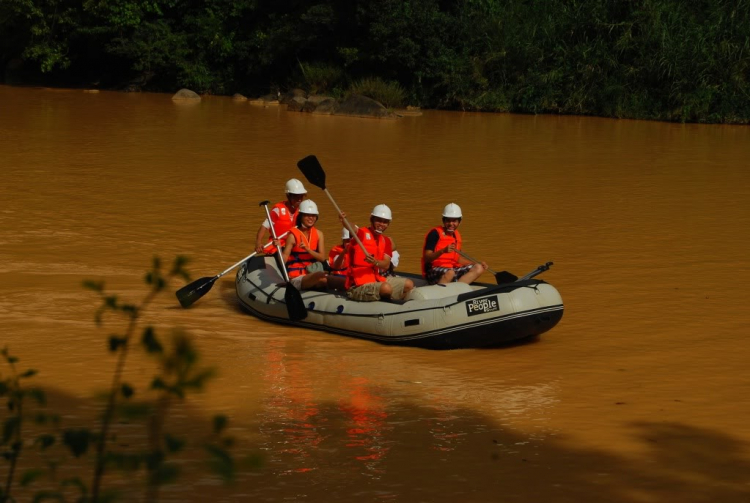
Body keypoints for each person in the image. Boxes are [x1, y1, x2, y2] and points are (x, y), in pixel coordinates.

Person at [346, 204, 414, 301]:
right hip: (357, 284)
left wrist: (375, 262)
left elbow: (386, 264)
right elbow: (352, 228)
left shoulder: (386, 241)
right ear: (371, 219)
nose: (381, 224)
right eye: (378, 220)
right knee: (386, 288)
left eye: (385, 222)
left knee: (409, 284)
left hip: (376, 279)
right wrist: (345, 220)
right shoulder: (361, 234)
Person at [421, 203, 487, 284]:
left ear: (459, 222)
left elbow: (457, 259)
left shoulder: (456, 236)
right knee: (450, 273)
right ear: (443, 221)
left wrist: (476, 263)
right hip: (433, 271)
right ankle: (441, 293)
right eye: (448, 220)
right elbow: (427, 257)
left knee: (478, 268)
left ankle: (457, 290)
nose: (451, 224)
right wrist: (443, 251)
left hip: (450, 269)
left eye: (454, 221)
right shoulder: (435, 234)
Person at [281, 200, 328, 290]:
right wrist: (278, 247)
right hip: (297, 277)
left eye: (313, 215)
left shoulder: (319, 234)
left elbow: (322, 258)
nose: (311, 218)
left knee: (334, 280)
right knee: (321, 277)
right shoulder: (292, 236)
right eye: (307, 215)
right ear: (301, 216)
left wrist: (308, 250)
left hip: (312, 272)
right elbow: (285, 257)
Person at [255, 178, 307, 255]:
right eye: (296, 197)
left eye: (301, 196)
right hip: (278, 245)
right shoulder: (277, 210)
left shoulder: (303, 210)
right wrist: (258, 243)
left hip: (295, 245)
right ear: (288, 196)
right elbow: (264, 227)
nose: (299, 200)